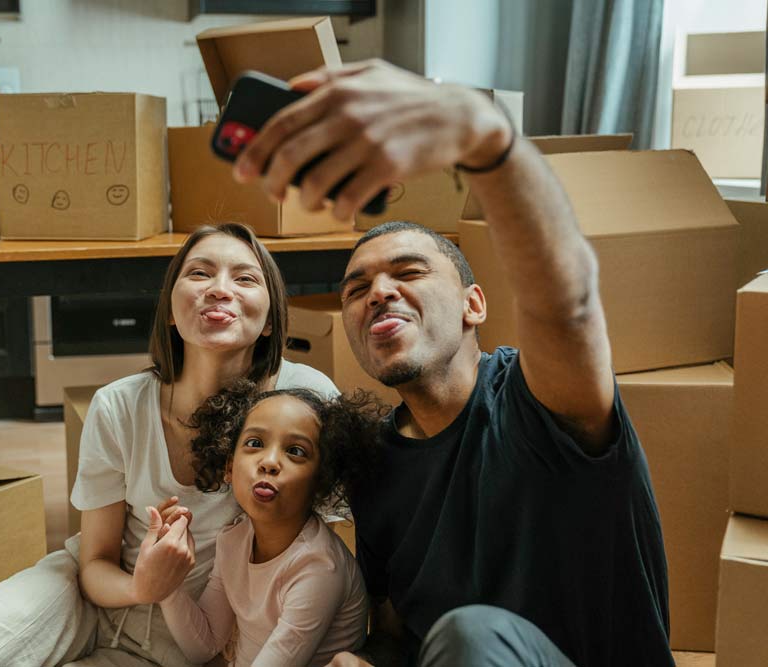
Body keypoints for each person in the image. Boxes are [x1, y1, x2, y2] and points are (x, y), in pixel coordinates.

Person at [231, 59, 674, 667]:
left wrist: (487, 140)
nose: (378, 292)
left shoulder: (537, 400)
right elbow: (395, 626)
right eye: (356, 289)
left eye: (408, 272)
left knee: (473, 636)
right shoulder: (378, 467)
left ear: (474, 304)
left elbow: (565, 302)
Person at [0, 222, 338, 667]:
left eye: (245, 277)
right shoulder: (119, 405)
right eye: (199, 273)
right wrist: (144, 586)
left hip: (195, 636)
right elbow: (94, 562)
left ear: (271, 318)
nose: (219, 289)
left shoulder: (306, 401)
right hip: (86, 595)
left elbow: (337, 545)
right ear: (170, 310)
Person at [156, 381, 381, 666]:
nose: (269, 462)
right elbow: (206, 645)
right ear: (229, 468)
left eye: (296, 451)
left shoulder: (319, 569)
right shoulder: (233, 539)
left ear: (320, 482)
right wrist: (168, 581)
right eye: (255, 444)